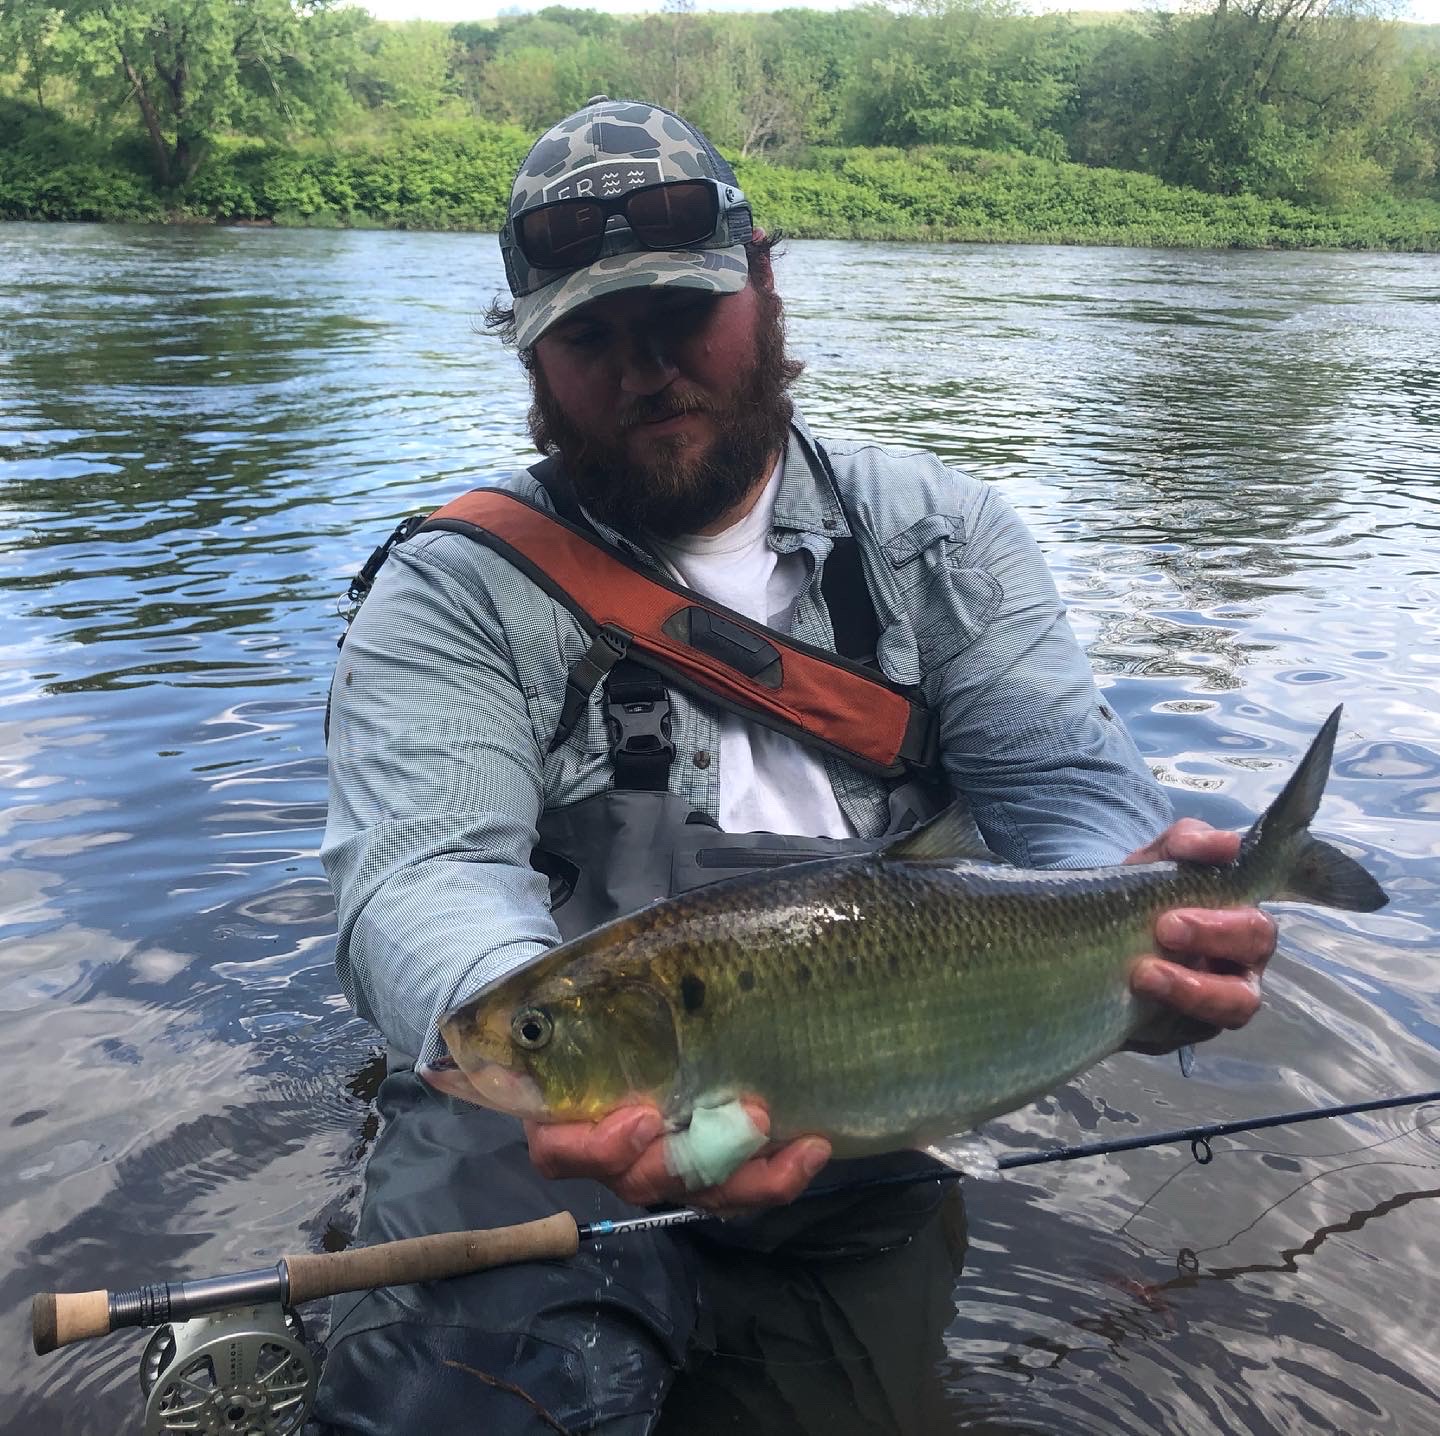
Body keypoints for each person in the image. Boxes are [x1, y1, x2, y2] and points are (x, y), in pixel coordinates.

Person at [314, 98, 1275, 1435]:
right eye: (592, 336)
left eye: (679, 314)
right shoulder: (451, 590)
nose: (646, 366)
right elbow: (418, 870)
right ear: (530, 358)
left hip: (860, 1113)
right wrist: (526, 1031)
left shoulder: (943, 536)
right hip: (538, 1137)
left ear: (764, 284)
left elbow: (1068, 791)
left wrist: (1129, 939)